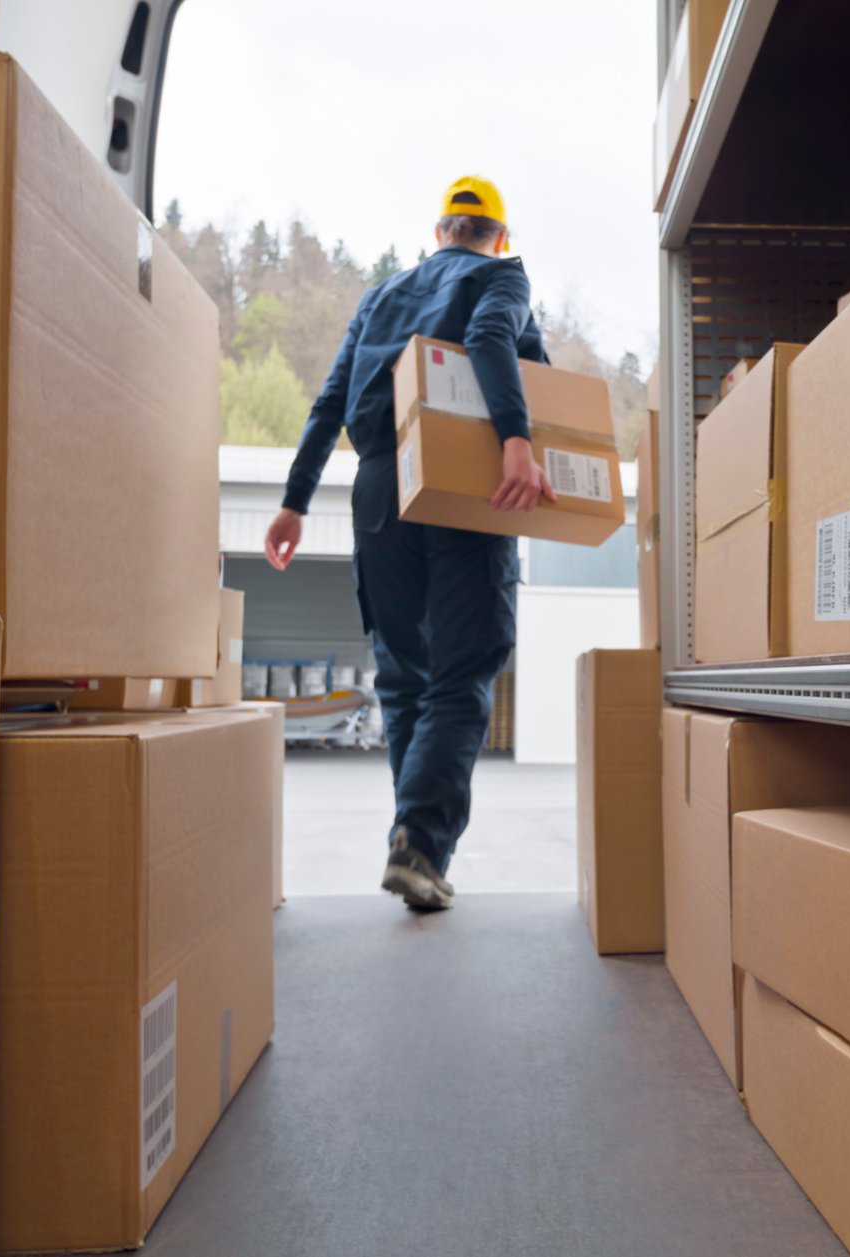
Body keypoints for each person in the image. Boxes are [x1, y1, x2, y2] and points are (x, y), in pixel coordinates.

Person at [263, 175, 552, 912]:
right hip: (459, 485)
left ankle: (413, 848)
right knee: (465, 666)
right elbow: (493, 340)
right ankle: (420, 844)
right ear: (498, 234)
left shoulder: (382, 295)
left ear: (440, 231)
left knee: (403, 675)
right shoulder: (504, 275)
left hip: (377, 487)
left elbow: (331, 399)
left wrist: (294, 503)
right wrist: (517, 440)